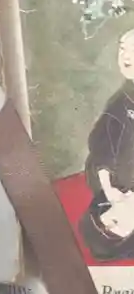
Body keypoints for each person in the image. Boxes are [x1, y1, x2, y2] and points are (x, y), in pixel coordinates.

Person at [79, 29, 134, 259]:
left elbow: (101, 153)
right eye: (122, 49)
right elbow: (102, 147)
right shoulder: (121, 102)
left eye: (130, 49)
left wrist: (110, 189)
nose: (125, 56)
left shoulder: (122, 102)